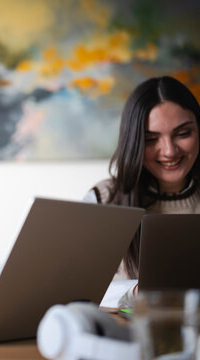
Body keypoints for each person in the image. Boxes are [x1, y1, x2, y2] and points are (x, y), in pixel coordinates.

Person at [85, 76, 200, 302]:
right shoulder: (103, 200)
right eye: (150, 139)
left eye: (183, 133)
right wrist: (134, 292)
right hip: (125, 332)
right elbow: (73, 288)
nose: (169, 151)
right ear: (134, 142)